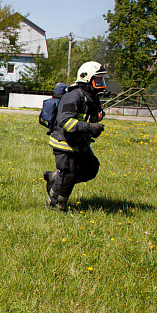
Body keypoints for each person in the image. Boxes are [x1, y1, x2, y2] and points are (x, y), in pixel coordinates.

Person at [44, 61, 108, 212]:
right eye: (97, 80)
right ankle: (54, 206)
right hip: (65, 142)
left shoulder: (91, 97)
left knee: (91, 168)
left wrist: (97, 117)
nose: (101, 84)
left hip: (79, 142)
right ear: (86, 78)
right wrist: (89, 127)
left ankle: (55, 177)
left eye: (101, 80)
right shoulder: (73, 96)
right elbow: (65, 121)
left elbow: (88, 116)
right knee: (68, 175)